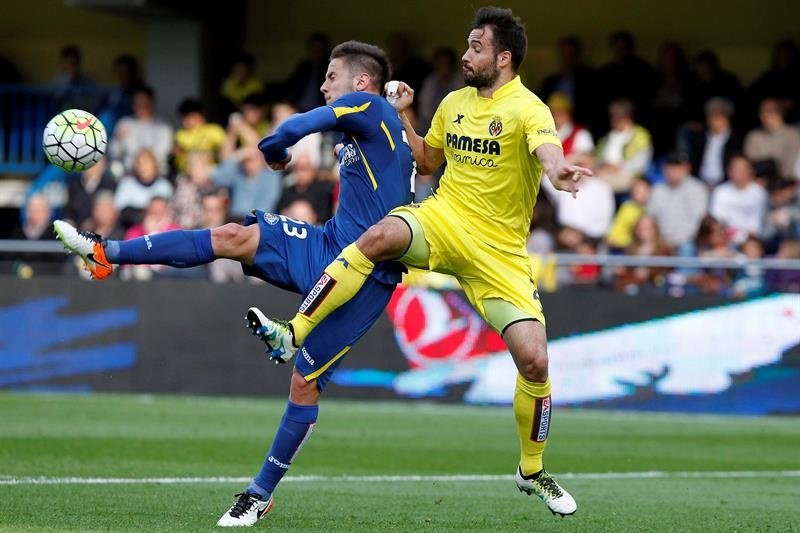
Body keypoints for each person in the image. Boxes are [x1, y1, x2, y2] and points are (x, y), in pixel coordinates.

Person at [52, 40, 414, 527]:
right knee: (232, 235)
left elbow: (294, 127)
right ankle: (105, 254)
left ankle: (259, 494)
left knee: (304, 385)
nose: (324, 85)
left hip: (366, 275)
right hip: (327, 245)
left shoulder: (366, 105)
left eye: (331, 76)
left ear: (361, 83)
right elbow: (420, 162)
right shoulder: (375, 117)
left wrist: (274, 148)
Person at [251, 7, 589, 517]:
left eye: (476, 47)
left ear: (503, 57)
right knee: (379, 234)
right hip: (444, 221)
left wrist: (558, 169)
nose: (465, 54)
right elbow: (428, 161)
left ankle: (532, 470)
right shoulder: (454, 102)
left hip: (499, 254)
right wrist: (407, 115)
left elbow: (546, 150)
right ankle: (294, 331)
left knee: (536, 360)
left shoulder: (529, 109)